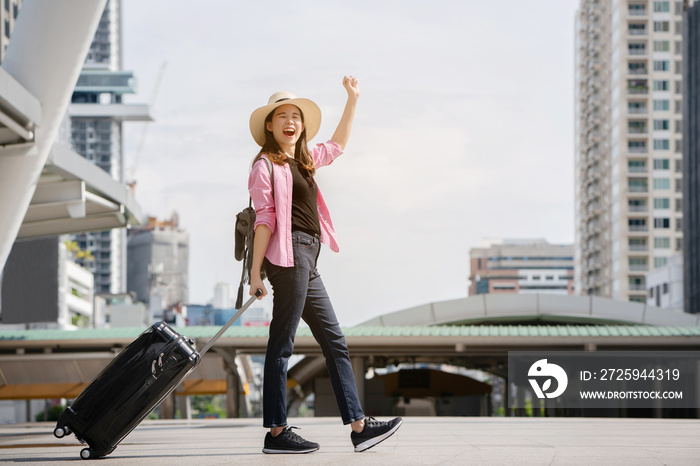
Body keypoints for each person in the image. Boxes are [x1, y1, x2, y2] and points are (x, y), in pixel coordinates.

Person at [247, 76, 403, 454]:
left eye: (295, 116)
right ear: (270, 125)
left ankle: (359, 426)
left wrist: (352, 99)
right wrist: (255, 273)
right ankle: (277, 433)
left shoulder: (303, 161)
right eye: (281, 116)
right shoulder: (264, 166)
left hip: (309, 257)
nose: (289, 122)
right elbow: (264, 219)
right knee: (282, 344)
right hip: (288, 257)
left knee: (335, 341)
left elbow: (337, 145)